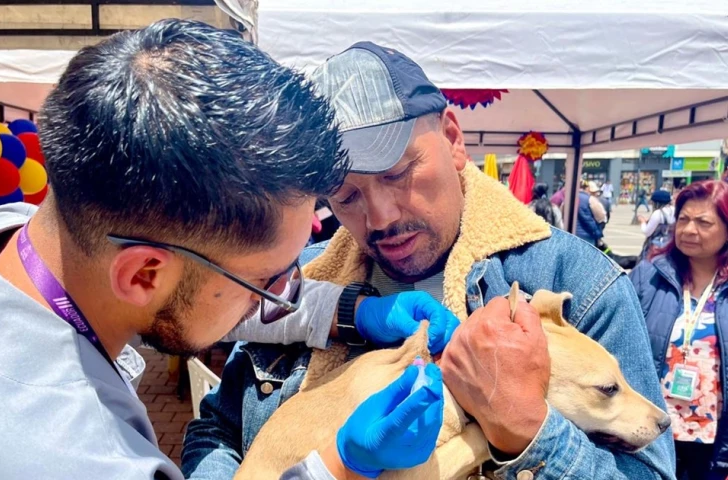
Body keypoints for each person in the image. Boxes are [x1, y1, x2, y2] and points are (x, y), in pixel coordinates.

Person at [0, 21, 453, 480]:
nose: (281, 301)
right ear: (143, 275)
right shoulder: (92, 461)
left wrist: (352, 312)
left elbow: (213, 299)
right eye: (263, 282)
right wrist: (340, 464)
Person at [183, 41, 675, 479]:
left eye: (397, 173)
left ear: (453, 139)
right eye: (346, 196)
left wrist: (524, 429)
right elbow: (216, 431)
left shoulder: (579, 281)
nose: (380, 217)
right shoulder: (299, 279)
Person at [630, 180, 728, 480]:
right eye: (683, 219)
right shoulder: (649, 275)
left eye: (703, 222)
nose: (688, 230)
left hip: (713, 441)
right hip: (649, 431)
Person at [638, 189, 675, 260]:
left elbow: (647, 232)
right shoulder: (675, 210)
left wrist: (642, 222)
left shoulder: (658, 213)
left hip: (658, 246)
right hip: (672, 244)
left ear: (656, 203)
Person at [575, 180, 606, 245]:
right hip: (588, 234)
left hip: (572, 233)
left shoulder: (569, 198)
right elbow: (601, 217)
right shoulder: (590, 199)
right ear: (587, 189)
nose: (596, 194)